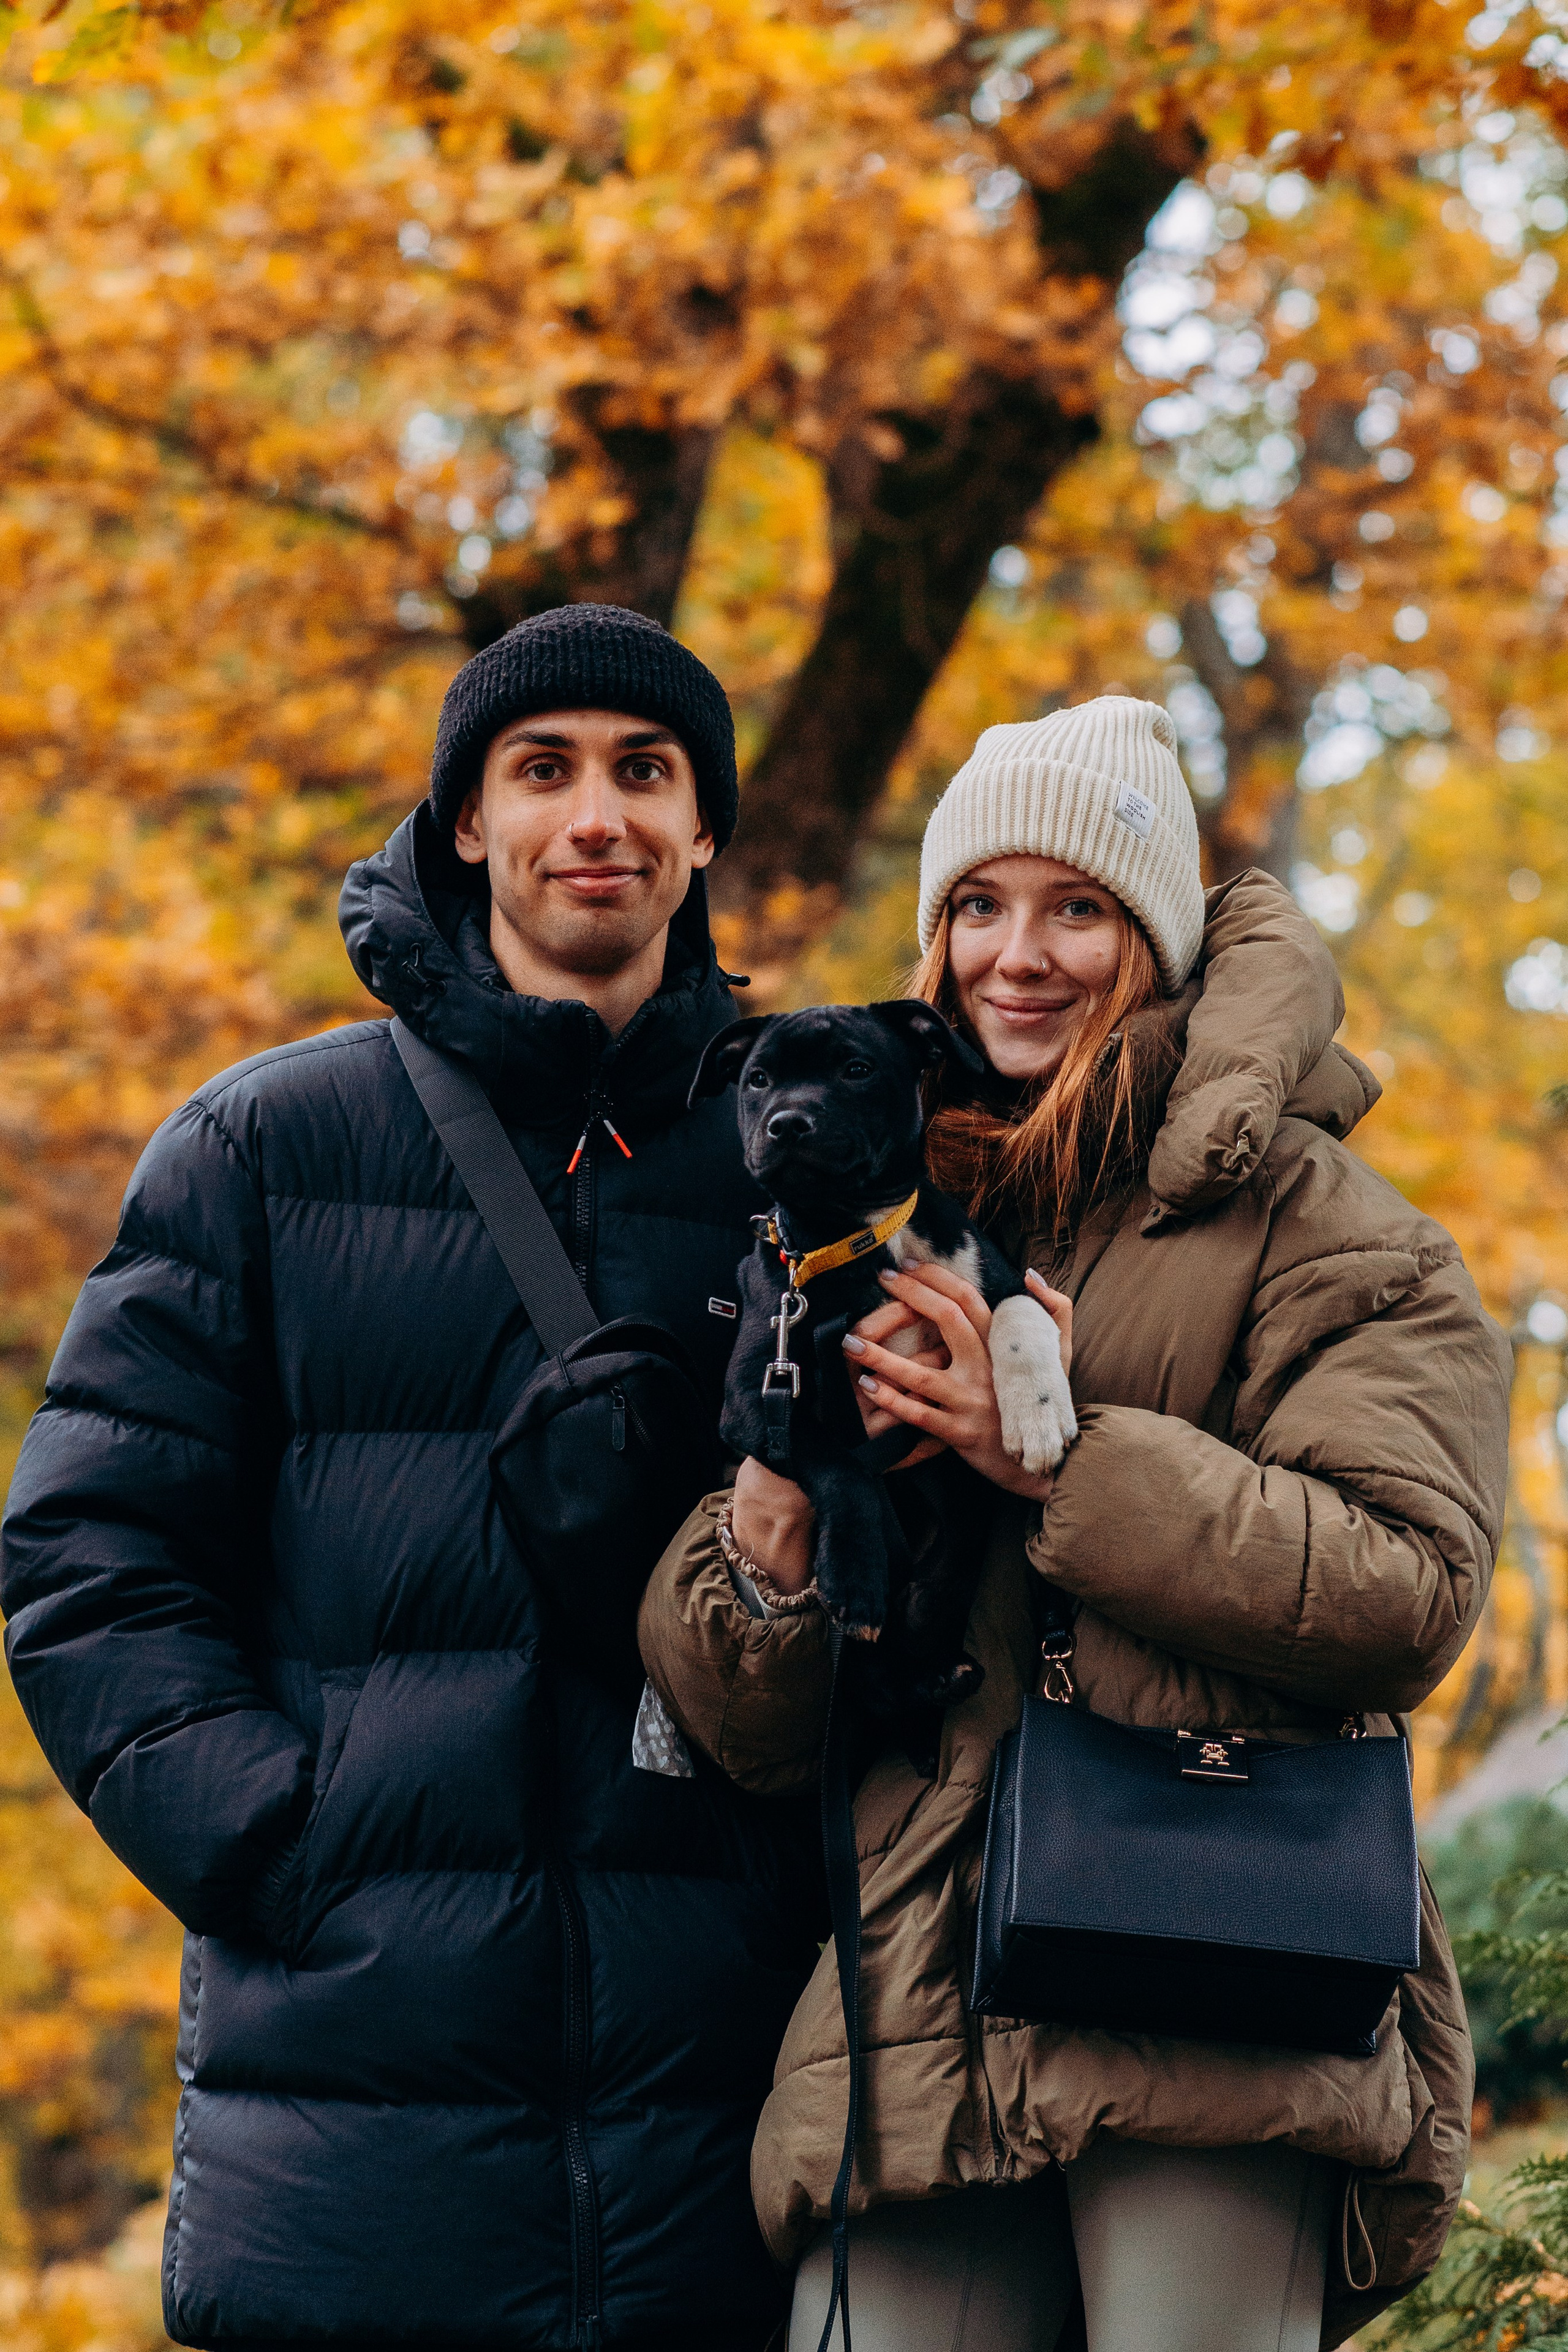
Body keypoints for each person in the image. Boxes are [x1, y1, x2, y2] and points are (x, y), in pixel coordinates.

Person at [638, 694, 1512, 2352]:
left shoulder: (1330, 1226)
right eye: (976, 906)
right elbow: (747, 1729)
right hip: (915, 1996)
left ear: (1156, 941)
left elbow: (1409, 1586)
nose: (1015, 955)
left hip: (1213, 1982)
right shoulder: (869, 1211)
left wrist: (1060, 1464)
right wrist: (772, 1510)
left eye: (1077, 909)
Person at [1, 604, 824, 2352]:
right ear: (467, 823)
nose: (594, 813)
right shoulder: (263, 1148)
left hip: (729, 2110)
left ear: (703, 832)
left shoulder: (804, 1153)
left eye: (644, 771)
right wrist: (289, 1850)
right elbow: (88, 1557)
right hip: (355, 2121)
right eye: (544, 771)